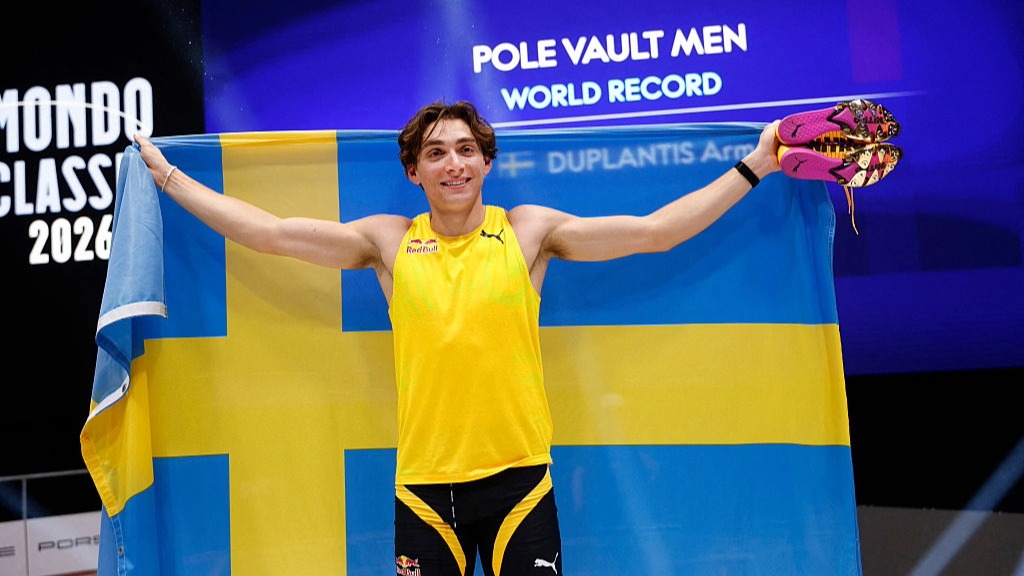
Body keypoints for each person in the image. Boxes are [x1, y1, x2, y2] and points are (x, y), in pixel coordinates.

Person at [133, 100, 782, 576]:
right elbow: (269, 233)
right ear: (414, 171)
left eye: (466, 149)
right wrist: (165, 176)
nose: (453, 162)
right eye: (436, 152)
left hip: (521, 485)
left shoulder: (528, 232)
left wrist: (755, 165)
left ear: (487, 162)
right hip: (423, 491)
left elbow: (656, 230)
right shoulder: (387, 242)